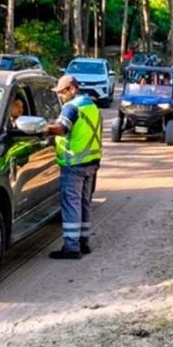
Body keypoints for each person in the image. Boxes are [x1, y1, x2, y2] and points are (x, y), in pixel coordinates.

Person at [46, 75, 102, 259]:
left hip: (74, 163)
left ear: (72, 89)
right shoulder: (91, 105)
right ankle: (83, 242)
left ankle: (71, 248)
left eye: (62, 92)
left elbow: (61, 129)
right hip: (92, 162)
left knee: (71, 204)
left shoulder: (71, 107)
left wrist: (43, 128)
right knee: (84, 202)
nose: (60, 96)